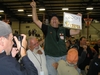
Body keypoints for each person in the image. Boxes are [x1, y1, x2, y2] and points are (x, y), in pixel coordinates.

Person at [30, 1, 81, 75]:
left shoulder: (63, 29)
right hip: (50, 58)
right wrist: (34, 8)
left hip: (63, 57)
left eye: (56, 19)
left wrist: (78, 20)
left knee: (74, 72)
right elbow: (35, 20)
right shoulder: (47, 28)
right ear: (50, 22)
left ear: (59, 22)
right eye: (52, 19)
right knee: (52, 73)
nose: (54, 20)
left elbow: (77, 32)